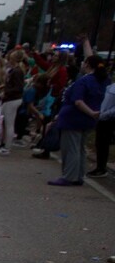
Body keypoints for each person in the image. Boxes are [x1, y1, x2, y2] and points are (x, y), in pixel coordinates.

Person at [48, 53, 107, 187]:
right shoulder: (101, 80)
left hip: (73, 118)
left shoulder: (84, 81)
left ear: (87, 64)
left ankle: (69, 176)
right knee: (80, 148)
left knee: (71, 148)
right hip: (88, 120)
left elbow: (78, 101)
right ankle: (79, 175)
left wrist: (90, 112)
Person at [91, 71, 115, 177]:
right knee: (100, 143)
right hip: (102, 118)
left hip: (109, 119)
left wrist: (105, 114)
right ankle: (100, 167)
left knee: (103, 143)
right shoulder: (110, 86)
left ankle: (101, 168)